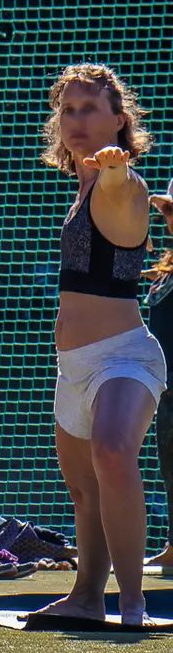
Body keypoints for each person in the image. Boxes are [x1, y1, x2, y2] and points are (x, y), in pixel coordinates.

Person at [33, 64, 163, 626]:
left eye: (90, 109)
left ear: (118, 120)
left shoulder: (121, 184)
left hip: (127, 357)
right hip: (73, 366)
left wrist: (114, 173)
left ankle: (132, 603)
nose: (77, 119)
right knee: (84, 493)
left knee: (113, 454)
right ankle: (87, 596)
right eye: (69, 109)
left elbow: (124, 194)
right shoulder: (80, 185)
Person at [146, 188, 173, 567]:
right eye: (168, 210)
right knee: (170, 466)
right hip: (167, 388)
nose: (169, 217)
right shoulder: (165, 267)